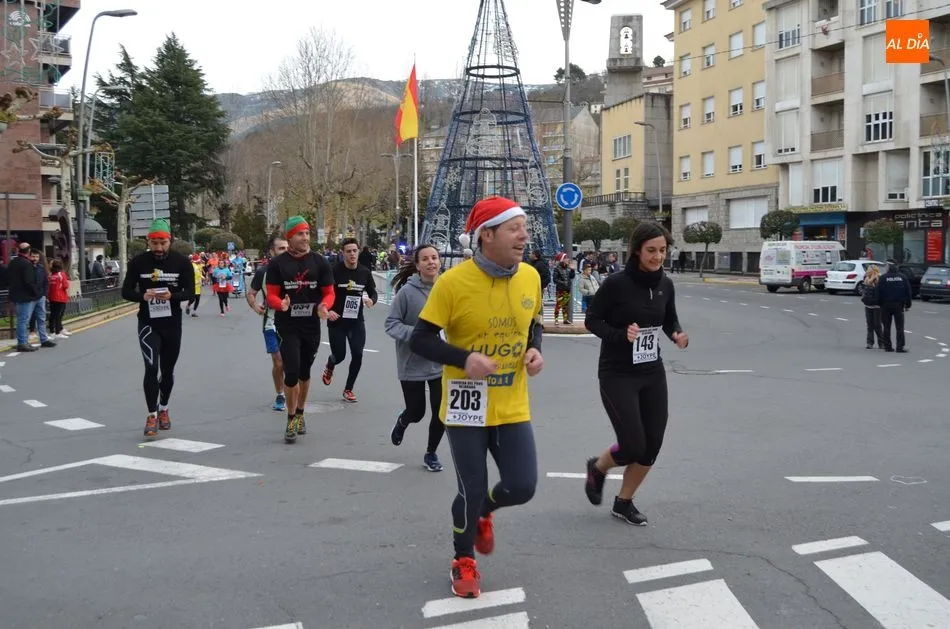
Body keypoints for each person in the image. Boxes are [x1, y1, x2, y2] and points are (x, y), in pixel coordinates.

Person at [409, 196, 544, 599]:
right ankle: (463, 558)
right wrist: (464, 358)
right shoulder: (452, 283)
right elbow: (420, 339)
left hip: (511, 402)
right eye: (514, 228)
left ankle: (485, 511)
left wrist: (534, 350)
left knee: (522, 485)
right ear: (486, 235)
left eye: (524, 227)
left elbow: (533, 324)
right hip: (465, 402)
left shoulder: (530, 277)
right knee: (471, 485)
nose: (524, 236)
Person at [582, 222, 688, 526]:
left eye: (662, 250)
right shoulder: (616, 284)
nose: (658, 257)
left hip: (651, 371)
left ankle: (624, 502)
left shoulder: (666, 284)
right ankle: (598, 468)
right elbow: (592, 320)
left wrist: (677, 334)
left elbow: (669, 320)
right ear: (637, 250)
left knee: (652, 445)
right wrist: (620, 334)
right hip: (617, 374)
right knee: (632, 446)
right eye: (651, 250)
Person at [265, 216, 335, 444]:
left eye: (307, 233)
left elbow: (329, 293)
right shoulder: (277, 264)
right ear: (290, 237)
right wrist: (280, 304)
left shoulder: (320, 262)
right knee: (292, 371)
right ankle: (291, 417)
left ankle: (301, 412)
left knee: (304, 372)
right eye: (300, 234)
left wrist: (324, 306)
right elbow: (272, 295)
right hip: (288, 325)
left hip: (311, 325)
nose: (305, 238)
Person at [121, 219, 193, 437]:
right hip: (148, 323)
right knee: (151, 368)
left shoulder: (182, 262)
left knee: (167, 371)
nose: (159, 248)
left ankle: (164, 409)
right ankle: (151, 414)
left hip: (172, 324)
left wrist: (173, 296)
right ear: (148, 242)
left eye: (163, 243)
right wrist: (142, 296)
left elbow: (190, 292)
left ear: (170, 241)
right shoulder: (138, 263)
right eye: (154, 243)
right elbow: (125, 291)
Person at [385, 244, 446, 472]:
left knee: (441, 411)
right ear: (418, 265)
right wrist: (418, 335)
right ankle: (403, 421)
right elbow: (391, 324)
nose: (431, 262)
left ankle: (431, 453)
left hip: (441, 361)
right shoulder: (407, 293)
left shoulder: (447, 288)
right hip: (412, 361)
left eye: (434, 258)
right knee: (417, 412)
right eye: (425, 259)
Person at [321, 238, 378, 402]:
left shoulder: (364, 272)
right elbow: (324, 293)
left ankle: (348, 389)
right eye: (348, 251)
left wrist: (372, 300)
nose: (352, 254)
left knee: (358, 354)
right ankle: (330, 364)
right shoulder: (334, 271)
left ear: (358, 252)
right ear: (343, 253)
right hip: (337, 321)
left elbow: (373, 292)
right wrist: (329, 310)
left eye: (354, 250)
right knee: (339, 356)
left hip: (356, 321)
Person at [248, 236, 289, 412]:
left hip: (292, 323)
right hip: (271, 323)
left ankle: (292, 390)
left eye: (287, 248)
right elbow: (251, 293)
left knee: (292, 362)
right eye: (281, 248)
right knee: (278, 362)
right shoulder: (262, 272)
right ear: (272, 251)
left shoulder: (296, 269)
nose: (285, 252)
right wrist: (255, 306)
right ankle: (280, 394)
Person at [8, 243, 54, 352]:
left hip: (20, 295)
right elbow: (29, 282)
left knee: (26, 319)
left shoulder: (12, 262)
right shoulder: (26, 264)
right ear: (28, 252)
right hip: (28, 296)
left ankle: (35, 340)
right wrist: (37, 293)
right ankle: (22, 343)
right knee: (24, 320)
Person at [875, 259, 911, 353]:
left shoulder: (883, 278)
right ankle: (900, 347)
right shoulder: (902, 277)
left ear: (889, 266)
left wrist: (879, 303)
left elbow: (878, 292)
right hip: (899, 305)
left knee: (886, 327)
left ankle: (887, 346)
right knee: (900, 327)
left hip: (885, 305)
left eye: (886, 266)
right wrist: (908, 304)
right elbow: (908, 292)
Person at [861, 264, 884, 350]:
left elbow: (881, 292)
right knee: (870, 325)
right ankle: (869, 343)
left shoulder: (879, 279)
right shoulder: (866, 279)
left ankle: (881, 343)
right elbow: (864, 291)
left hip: (877, 307)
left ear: (873, 271)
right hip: (868, 305)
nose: (867, 272)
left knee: (877, 325)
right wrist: (863, 298)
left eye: (869, 270)